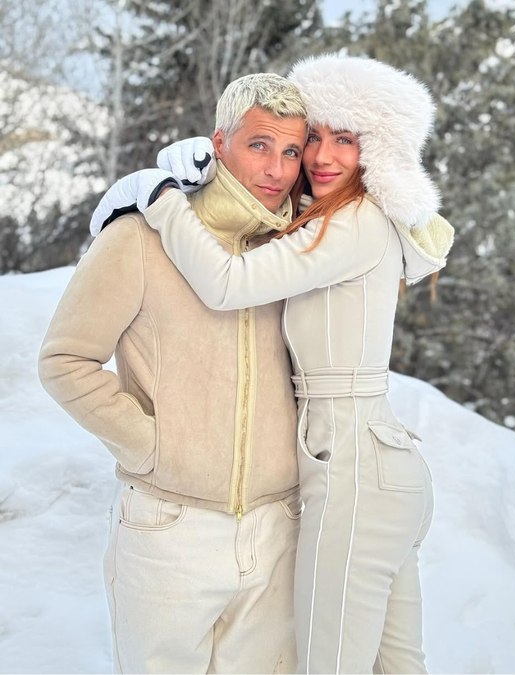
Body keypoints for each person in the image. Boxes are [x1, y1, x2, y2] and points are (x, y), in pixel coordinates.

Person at [92, 55, 453, 674]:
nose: (321, 156)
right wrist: (212, 171)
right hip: (374, 464)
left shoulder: (356, 223)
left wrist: (155, 199)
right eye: (314, 137)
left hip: (356, 474)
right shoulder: (324, 222)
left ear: (380, 153)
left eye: (347, 139)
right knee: (397, 667)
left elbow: (228, 284)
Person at [39, 73, 308, 673]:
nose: (277, 168)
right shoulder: (139, 236)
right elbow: (65, 359)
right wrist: (151, 446)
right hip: (169, 529)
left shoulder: (295, 249)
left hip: (278, 529)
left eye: (291, 151)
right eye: (259, 144)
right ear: (218, 143)